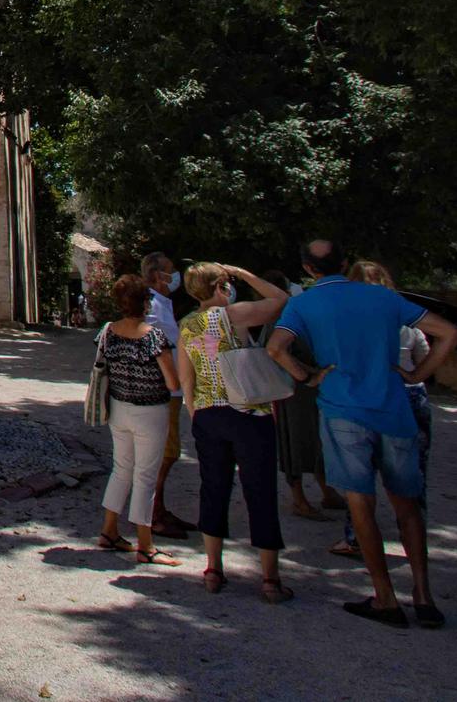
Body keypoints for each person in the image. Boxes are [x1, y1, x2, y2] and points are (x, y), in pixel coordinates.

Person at [267, 239, 457, 629]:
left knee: (361, 505)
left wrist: (308, 376)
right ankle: (423, 595)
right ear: (345, 262)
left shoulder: (304, 303)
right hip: (393, 407)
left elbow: (276, 348)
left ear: (308, 269)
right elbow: (450, 333)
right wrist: (417, 375)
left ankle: (385, 597)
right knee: (408, 506)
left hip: (342, 409)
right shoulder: (385, 298)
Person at [175, 263, 301, 602]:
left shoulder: (187, 324)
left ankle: (213, 568)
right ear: (221, 286)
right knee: (260, 491)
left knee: (213, 488)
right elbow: (281, 300)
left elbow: (186, 377)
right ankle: (270, 579)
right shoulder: (234, 315)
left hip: (208, 413)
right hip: (248, 412)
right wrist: (244, 274)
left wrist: (195, 412)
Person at [329, 261, 434, 557]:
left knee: (359, 475)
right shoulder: (406, 317)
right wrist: (412, 375)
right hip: (406, 394)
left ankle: (355, 537)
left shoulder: (343, 320)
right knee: (413, 474)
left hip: (362, 398)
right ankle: (414, 542)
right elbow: (426, 355)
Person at [96, 275, 183, 565]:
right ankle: (146, 545)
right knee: (145, 475)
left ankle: (109, 530)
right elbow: (172, 383)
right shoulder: (153, 337)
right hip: (150, 410)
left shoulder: (108, 332)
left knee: (121, 469)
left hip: (118, 407)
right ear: (145, 303)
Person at [259, 267, 339, 520]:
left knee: (317, 441)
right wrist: (311, 373)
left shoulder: (292, 313)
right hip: (292, 391)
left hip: (309, 389)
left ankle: (326, 490)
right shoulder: (278, 318)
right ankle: (299, 498)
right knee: (294, 442)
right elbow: (276, 353)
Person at [138, 252, 194, 537]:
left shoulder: (161, 303)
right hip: (162, 389)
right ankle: (153, 513)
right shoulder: (151, 305)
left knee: (167, 451)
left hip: (169, 389)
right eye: (170, 271)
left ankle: (158, 508)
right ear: (158, 275)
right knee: (164, 453)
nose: (175, 277)